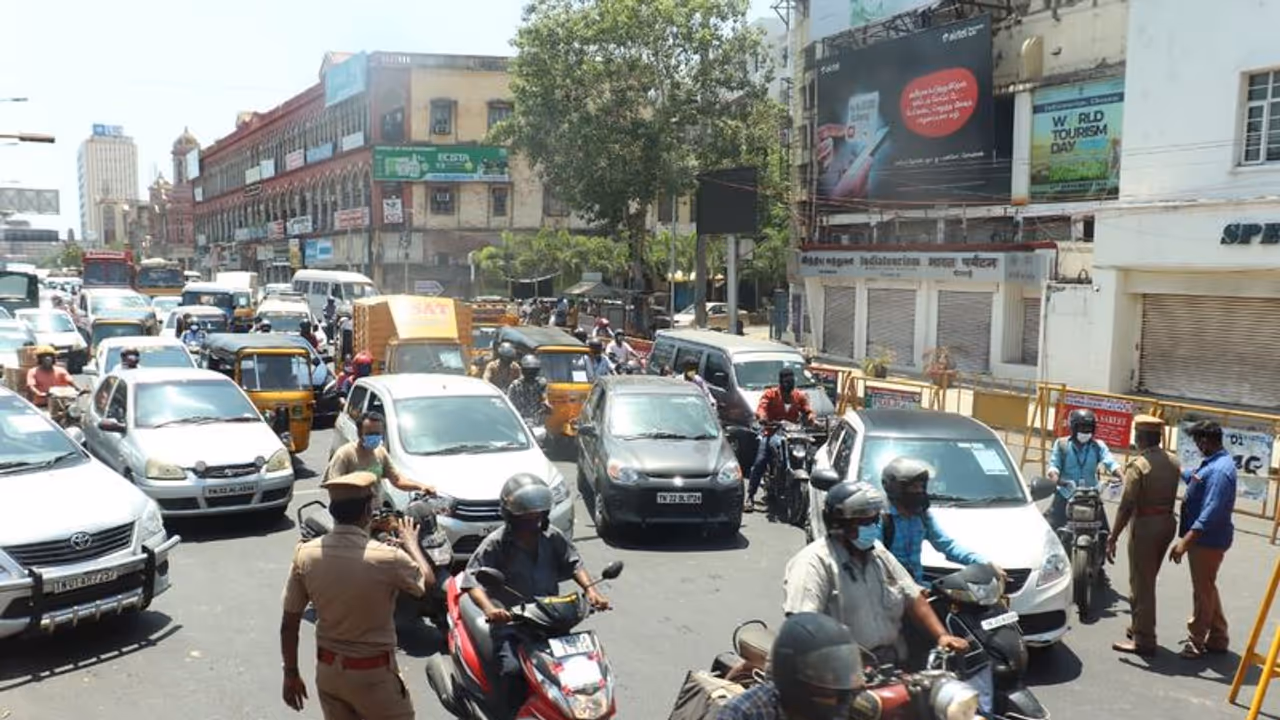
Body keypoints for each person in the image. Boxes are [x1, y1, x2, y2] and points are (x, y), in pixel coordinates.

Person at [279, 471, 432, 719]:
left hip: (329, 675)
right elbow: (427, 582)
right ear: (367, 511)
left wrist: (291, 674)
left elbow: (289, 624)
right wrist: (410, 542)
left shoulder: (305, 554)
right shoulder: (387, 558)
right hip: (374, 678)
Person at [461, 474, 609, 717]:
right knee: (510, 671)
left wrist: (592, 590)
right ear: (512, 516)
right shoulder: (496, 543)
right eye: (527, 516)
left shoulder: (552, 537)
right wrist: (490, 609)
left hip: (551, 619)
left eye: (538, 514)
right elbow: (473, 580)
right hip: (512, 624)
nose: (534, 520)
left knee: (577, 671)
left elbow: (574, 563)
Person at [783, 481, 967, 666]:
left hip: (892, 665)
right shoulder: (814, 562)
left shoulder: (878, 553)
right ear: (839, 524)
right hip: (844, 672)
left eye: (874, 520)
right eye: (863, 522)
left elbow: (912, 597)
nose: (871, 527)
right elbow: (802, 628)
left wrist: (942, 636)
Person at [1107, 415, 1180, 658]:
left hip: (1146, 526)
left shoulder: (1139, 465)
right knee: (1146, 578)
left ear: (1140, 438)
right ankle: (1139, 624)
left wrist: (1113, 536)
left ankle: (1145, 640)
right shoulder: (1172, 461)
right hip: (1167, 524)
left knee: (1142, 584)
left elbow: (1127, 505)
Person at [1170, 420, 1237, 659]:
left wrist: (1185, 542)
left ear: (1206, 441)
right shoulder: (1213, 464)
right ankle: (1218, 637)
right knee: (1207, 587)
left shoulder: (1220, 470)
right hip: (1207, 539)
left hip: (1207, 541)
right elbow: (1196, 478)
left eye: (1198, 441)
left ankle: (1196, 640)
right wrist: (1176, 469)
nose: (1197, 446)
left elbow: (1212, 510)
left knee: (1202, 591)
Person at [717, 612, 862, 720]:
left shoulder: (850, 708)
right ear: (794, 680)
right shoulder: (743, 713)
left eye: (840, 675)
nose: (839, 696)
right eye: (827, 680)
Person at [876, 456, 987, 584]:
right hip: (889, 592)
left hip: (919, 588)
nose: (919, 491)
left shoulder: (922, 516)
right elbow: (877, 560)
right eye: (913, 487)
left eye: (921, 487)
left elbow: (948, 545)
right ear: (895, 488)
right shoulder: (881, 518)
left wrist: (983, 563)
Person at [747, 368, 815, 512]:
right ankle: (750, 496)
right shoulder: (770, 394)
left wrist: (811, 418)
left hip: (792, 435)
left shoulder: (799, 396)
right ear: (781, 382)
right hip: (771, 432)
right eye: (786, 381)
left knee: (811, 457)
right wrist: (763, 418)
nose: (788, 384)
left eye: (791, 381)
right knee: (760, 461)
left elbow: (808, 411)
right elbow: (762, 407)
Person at [326, 411, 436, 496]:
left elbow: (397, 480)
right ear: (360, 433)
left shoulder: (380, 452)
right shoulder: (345, 454)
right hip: (353, 518)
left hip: (374, 513)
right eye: (370, 434)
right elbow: (334, 487)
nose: (374, 437)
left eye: (377, 433)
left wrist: (421, 486)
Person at [1046, 408, 1122, 529]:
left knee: (1105, 534)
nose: (1085, 432)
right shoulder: (1061, 444)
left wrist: (1122, 476)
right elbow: (1054, 466)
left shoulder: (1098, 446)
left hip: (1091, 495)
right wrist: (1057, 479)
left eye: (1089, 428)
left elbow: (1111, 462)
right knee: (1050, 529)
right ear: (1073, 428)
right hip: (1067, 494)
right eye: (1082, 428)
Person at [506, 355, 552, 426]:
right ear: (523, 371)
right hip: (519, 423)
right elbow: (509, 404)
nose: (531, 374)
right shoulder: (515, 385)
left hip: (537, 423)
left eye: (533, 371)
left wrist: (547, 407)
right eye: (528, 371)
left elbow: (544, 398)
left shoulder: (541, 383)